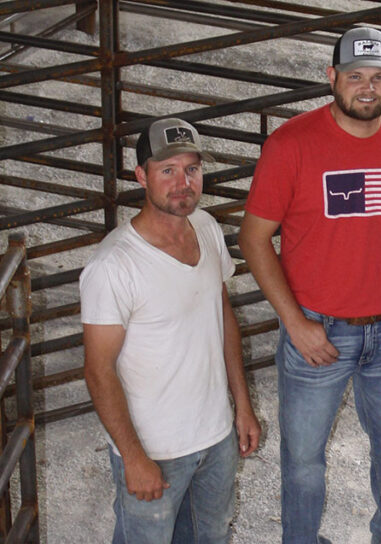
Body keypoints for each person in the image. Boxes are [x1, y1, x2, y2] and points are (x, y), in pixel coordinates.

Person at [238, 27, 381, 544]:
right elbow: (253, 238)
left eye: (379, 77)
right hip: (318, 333)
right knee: (304, 460)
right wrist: (295, 323)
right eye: (355, 76)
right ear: (331, 77)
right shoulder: (291, 144)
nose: (367, 87)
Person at [81, 118, 261, 544]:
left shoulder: (207, 228)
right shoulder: (113, 265)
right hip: (155, 450)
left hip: (215, 438)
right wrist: (133, 457)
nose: (183, 183)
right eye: (168, 170)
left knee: (211, 536)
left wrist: (242, 405)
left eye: (192, 170)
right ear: (141, 175)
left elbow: (222, 317)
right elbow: (98, 370)